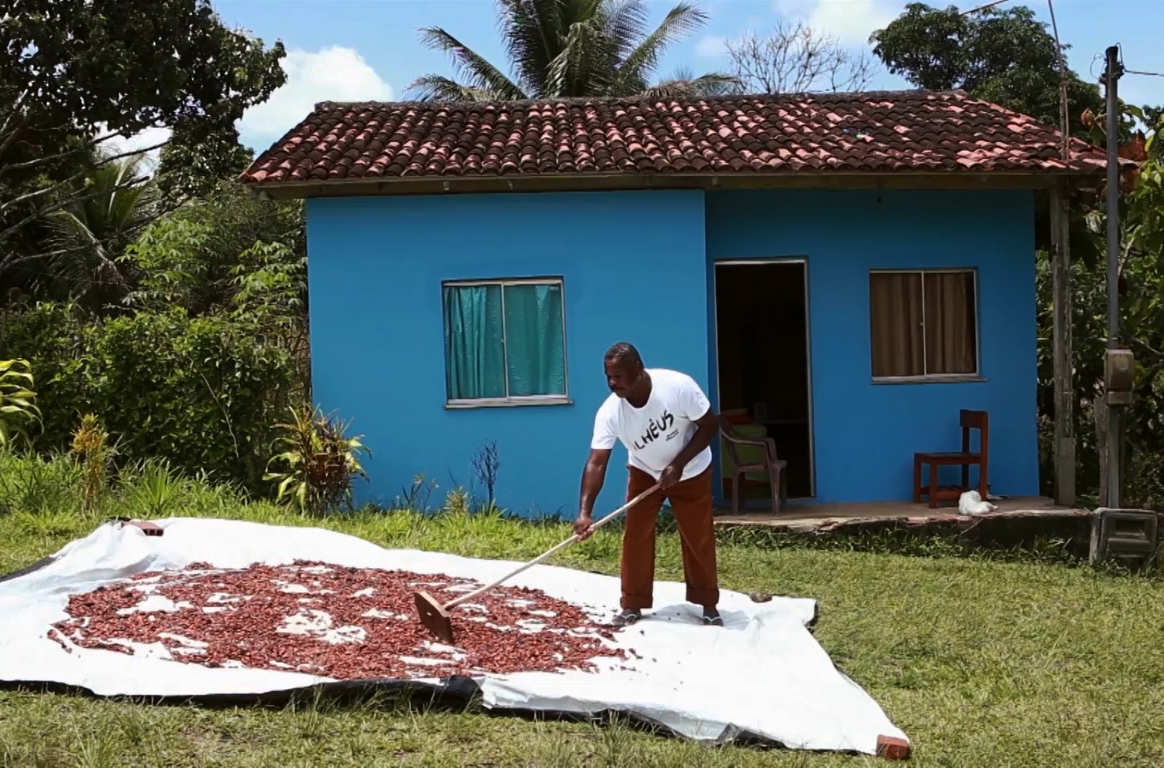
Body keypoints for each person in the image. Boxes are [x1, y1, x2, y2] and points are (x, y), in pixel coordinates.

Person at [573, 342, 722, 627]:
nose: (612, 383)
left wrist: (678, 464)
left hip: (691, 470)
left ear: (638, 368)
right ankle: (632, 604)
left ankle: (708, 604)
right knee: (636, 536)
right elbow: (597, 462)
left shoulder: (677, 387)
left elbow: (710, 425)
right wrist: (584, 513)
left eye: (618, 376)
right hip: (644, 472)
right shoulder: (610, 412)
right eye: (608, 376)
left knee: (697, 535)